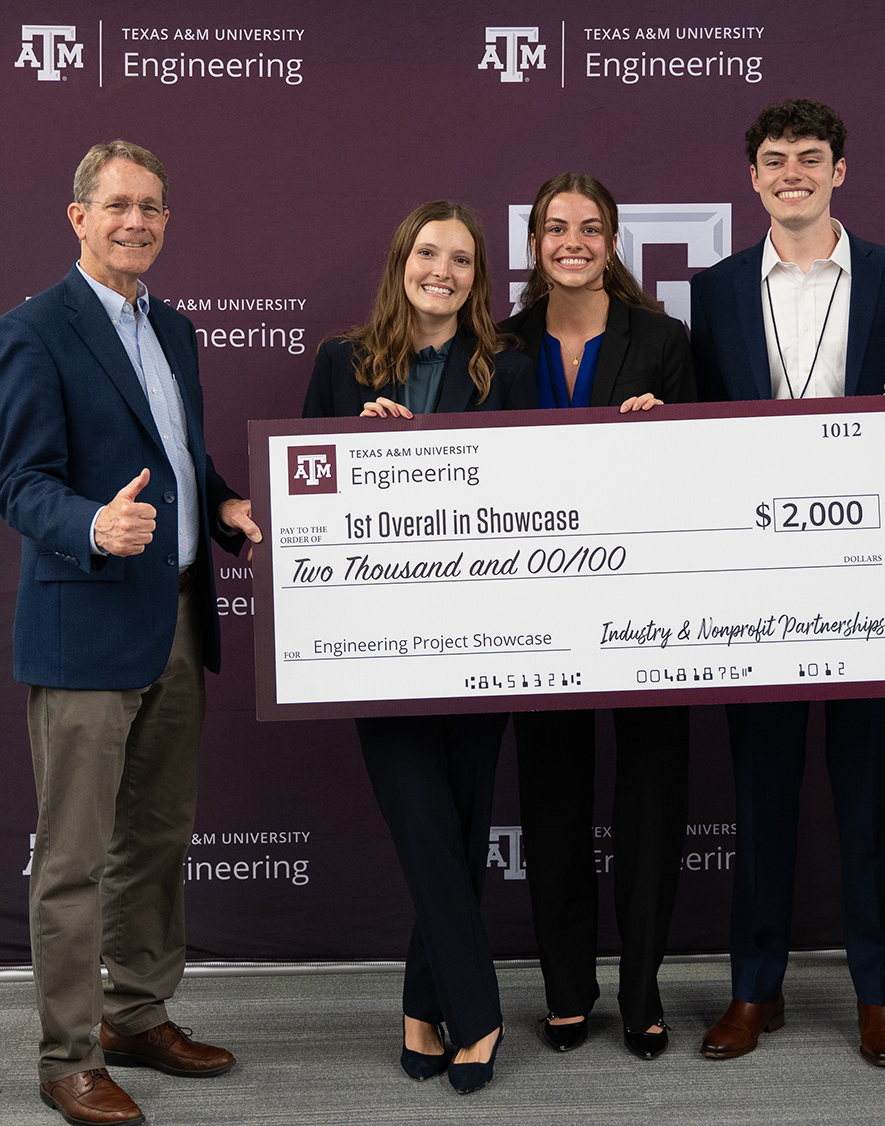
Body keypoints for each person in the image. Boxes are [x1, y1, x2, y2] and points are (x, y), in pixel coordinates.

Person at [0, 139, 261, 1126]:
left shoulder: (175, 331)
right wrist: (93, 525)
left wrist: (222, 506)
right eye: (116, 205)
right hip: (84, 631)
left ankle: (136, 1012)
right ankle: (66, 1056)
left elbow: (182, 462)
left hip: (178, 620)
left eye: (151, 205)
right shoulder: (32, 331)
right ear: (78, 216)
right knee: (72, 857)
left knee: (156, 834)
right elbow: (21, 485)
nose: (135, 220)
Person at [687, 98, 885, 1068]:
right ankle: (753, 989)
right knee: (757, 798)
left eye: (808, 157)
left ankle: (875, 993)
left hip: (865, 588)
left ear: (840, 168)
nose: (789, 171)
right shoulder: (711, 291)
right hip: (751, 591)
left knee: (862, 797)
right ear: (751, 178)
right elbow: (694, 433)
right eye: (771, 159)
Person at [301, 200, 536, 1095]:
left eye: (464, 261)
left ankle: (417, 1005)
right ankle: (474, 1012)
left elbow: (535, 489)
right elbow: (305, 495)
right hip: (377, 641)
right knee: (426, 824)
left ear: (480, 279)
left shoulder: (507, 369)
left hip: (484, 634)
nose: (444, 271)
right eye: (429, 254)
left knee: (465, 825)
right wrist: (355, 450)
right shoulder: (339, 363)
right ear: (402, 261)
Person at [496, 173, 695, 1061]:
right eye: (554, 227)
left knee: (652, 799)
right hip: (537, 612)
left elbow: (707, 467)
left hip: (648, 609)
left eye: (589, 228)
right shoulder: (496, 344)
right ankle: (568, 989)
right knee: (551, 804)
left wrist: (668, 429)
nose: (571, 241)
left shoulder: (663, 340)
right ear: (535, 243)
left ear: (613, 242)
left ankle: (644, 989)